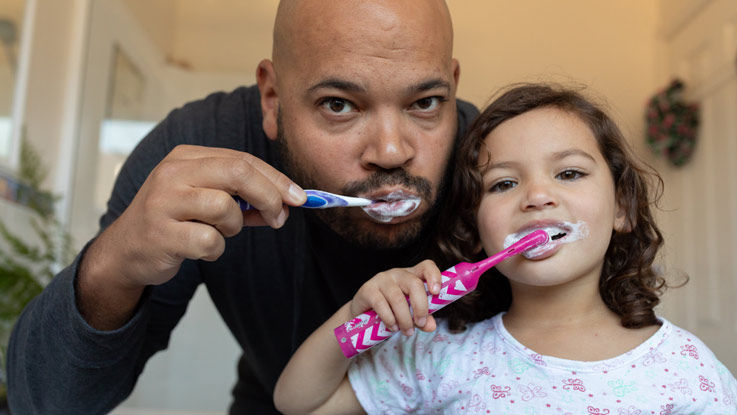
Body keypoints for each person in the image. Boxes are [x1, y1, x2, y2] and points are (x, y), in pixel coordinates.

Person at [6, 1, 479, 414]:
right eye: (339, 105)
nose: (392, 151)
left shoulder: (497, 170)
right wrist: (113, 266)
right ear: (272, 98)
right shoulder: (202, 148)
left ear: (453, 87)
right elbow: (48, 404)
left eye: (426, 102)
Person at [273, 83, 737, 414]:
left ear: (623, 208)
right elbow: (299, 402)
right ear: (476, 229)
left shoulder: (684, 369)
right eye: (504, 183)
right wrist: (358, 312)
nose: (536, 196)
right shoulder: (442, 355)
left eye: (569, 173)